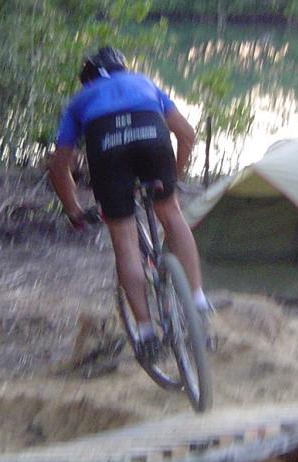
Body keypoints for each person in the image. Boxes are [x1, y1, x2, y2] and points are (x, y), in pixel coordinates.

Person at [48, 46, 210, 364]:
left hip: (107, 148)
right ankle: (198, 300)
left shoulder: (80, 100)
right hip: (153, 138)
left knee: (124, 239)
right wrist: (173, 176)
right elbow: (187, 135)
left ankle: (147, 332)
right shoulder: (144, 83)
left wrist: (73, 209)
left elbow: (59, 165)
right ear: (123, 68)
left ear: (88, 80)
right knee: (171, 214)